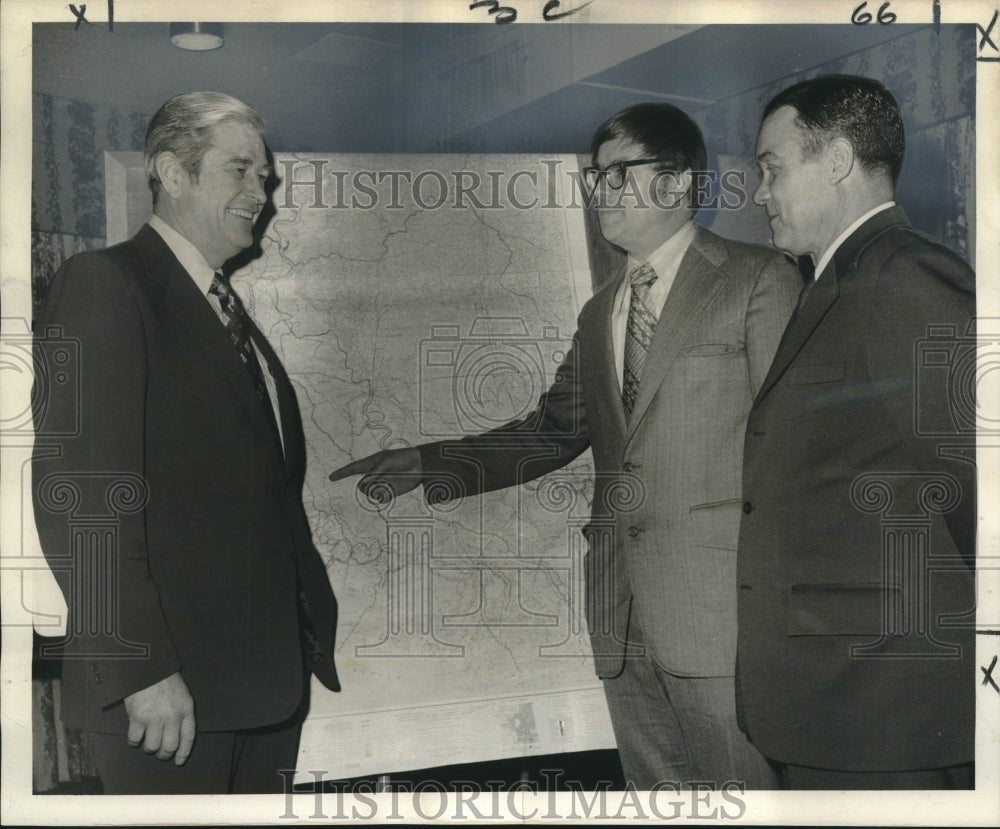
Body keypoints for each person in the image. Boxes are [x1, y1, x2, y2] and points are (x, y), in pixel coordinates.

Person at [330, 103, 801, 789]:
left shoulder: (760, 280)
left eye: (617, 174)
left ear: (675, 185)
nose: (597, 189)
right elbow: (550, 432)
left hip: (722, 622)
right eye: (594, 176)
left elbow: (787, 455)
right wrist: (428, 461)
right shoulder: (600, 308)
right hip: (621, 613)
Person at [31, 91, 339, 794]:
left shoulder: (224, 309)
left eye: (265, 176)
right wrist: (137, 667)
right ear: (173, 174)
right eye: (240, 170)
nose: (262, 193)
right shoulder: (105, 284)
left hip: (262, 689)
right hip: (168, 698)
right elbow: (78, 493)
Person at [738, 75, 976, 789]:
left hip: (883, 709)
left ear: (836, 159)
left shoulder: (905, 277)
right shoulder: (839, 278)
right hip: (839, 703)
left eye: (772, 168)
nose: (758, 191)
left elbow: (984, 492)